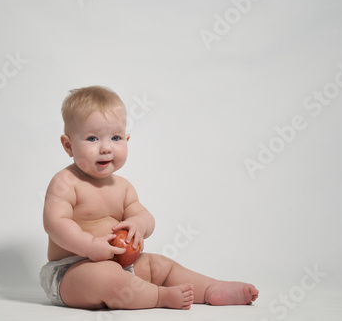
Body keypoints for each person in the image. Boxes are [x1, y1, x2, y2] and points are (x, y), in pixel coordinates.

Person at [40, 85, 259, 310]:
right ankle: (158, 297)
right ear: (68, 145)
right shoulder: (66, 182)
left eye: (115, 138)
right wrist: (89, 246)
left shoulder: (123, 187)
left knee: (159, 266)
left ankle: (211, 288)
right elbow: (55, 223)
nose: (106, 148)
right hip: (71, 272)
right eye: (93, 139)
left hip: (121, 264)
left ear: (126, 139)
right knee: (106, 277)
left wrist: (139, 225)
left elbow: (143, 215)